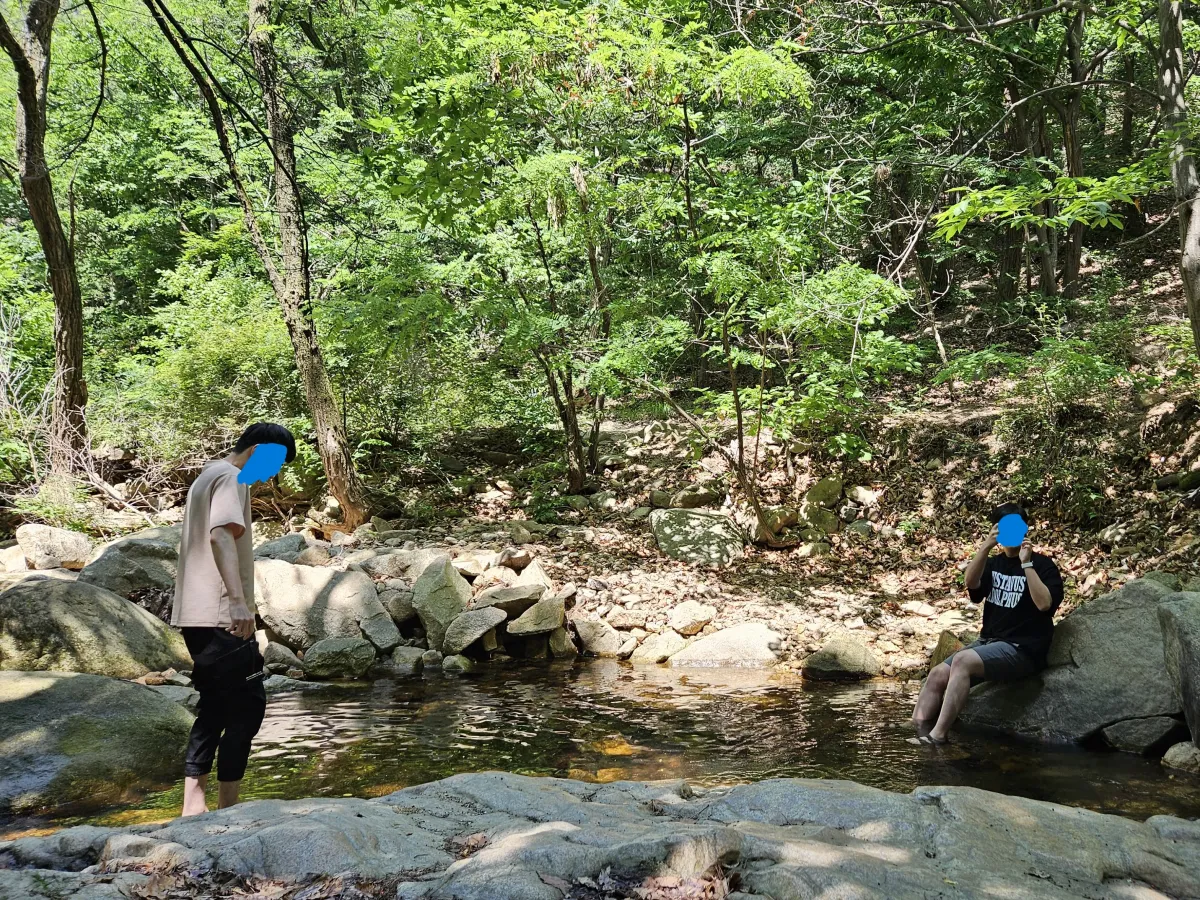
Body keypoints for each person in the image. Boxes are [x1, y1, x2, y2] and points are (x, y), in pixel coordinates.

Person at [171, 422, 296, 816]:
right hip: (224, 614)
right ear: (257, 450)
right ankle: (228, 809)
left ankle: (194, 807)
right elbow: (221, 536)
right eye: (274, 463)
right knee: (247, 707)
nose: (273, 474)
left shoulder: (207, 475)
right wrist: (239, 603)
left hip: (197, 613)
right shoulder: (231, 477)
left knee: (214, 708)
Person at [911, 502, 1064, 744]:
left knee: (962, 660)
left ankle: (937, 736)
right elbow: (971, 585)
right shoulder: (993, 564)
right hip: (989, 642)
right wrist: (985, 548)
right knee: (938, 673)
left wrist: (1026, 564)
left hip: (1023, 649)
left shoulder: (1043, 566)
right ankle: (917, 729)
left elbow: (1045, 605)